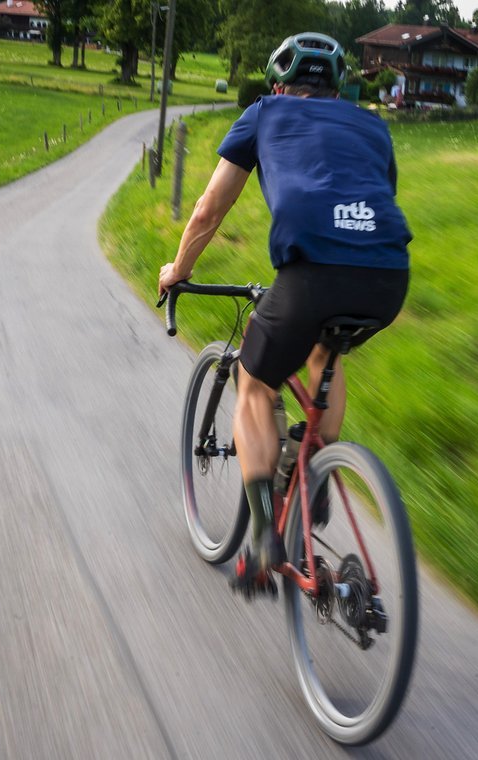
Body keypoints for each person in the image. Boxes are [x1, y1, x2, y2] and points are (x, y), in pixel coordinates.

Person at [157, 32, 411, 594]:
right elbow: (375, 196)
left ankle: (263, 538)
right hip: (388, 278)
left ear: (278, 84)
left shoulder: (263, 112)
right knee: (326, 348)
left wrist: (178, 268)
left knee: (252, 382)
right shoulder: (372, 125)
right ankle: (311, 467)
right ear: (337, 86)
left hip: (313, 273)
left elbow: (208, 210)